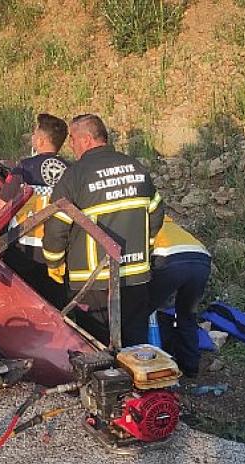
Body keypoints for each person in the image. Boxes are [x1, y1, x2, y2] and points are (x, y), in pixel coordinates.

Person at [42, 114, 164, 347]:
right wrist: (142, 250)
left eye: (73, 140)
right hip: (136, 276)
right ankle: (135, 382)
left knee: (97, 347)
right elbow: (156, 214)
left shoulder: (76, 175)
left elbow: (56, 226)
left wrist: (54, 263)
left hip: (93, 282)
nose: (72, 146)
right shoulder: (136, 168)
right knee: (135, 345)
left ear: (87, 139)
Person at [5, 114, 70, 306]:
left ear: (40, 140)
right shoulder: (72, 170)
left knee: (22, 303)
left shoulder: (24, 167)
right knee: (55, 308)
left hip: (22, 248)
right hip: (57, 252)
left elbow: (2, 201)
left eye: (34, 133)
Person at [149, 217, 211, 378]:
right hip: (202, 260)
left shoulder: (144, 222)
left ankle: (163, 363)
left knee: (153, 312)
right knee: (187, 315)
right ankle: (190, 366)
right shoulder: (171, 224)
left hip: (169, 259)